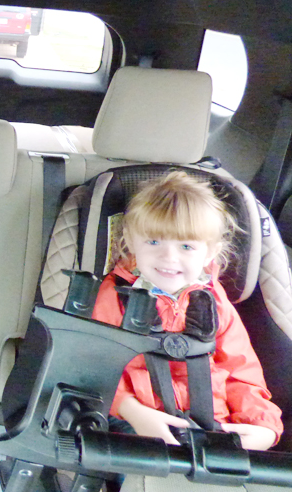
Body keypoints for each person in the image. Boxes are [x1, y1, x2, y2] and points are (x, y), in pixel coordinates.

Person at [92, 171, 283, 451]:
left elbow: (240, 371)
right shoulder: (115, 297)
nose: (169, 257)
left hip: (211, 424)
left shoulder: (213, 302)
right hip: (133, 419)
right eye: (154, 242)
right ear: (131, 242)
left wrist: (264, 427)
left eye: (186, 246)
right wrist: (130, 409)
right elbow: (94, 366)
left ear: (210, 253)